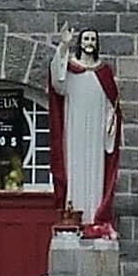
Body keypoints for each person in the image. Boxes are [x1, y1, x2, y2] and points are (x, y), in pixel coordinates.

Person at [46, 27, 122, 237]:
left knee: (97, 171)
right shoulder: (71, 69)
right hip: (76, 129)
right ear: (80, 42)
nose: (89, 42)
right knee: (76, 168)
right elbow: (57, 83)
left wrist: (111, 121)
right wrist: (63, 45)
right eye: (86, 38)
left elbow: (112, 104)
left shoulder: (103, 72)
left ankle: (95, 218)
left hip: (97, 133)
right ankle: (75, 215)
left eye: (93, 39)